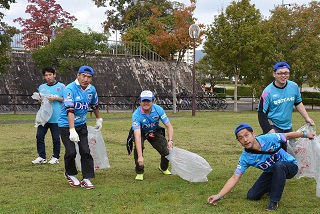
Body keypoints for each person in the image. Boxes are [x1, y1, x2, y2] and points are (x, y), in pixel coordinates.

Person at [207, 123, 315, 211]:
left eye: (246, 135)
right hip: (271, 172)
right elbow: (235, 177)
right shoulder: (245, 158)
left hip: (289, 166)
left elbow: (287, 135)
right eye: (240, 138)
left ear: (253, 134)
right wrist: (218, 195)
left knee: (279, 165)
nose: (245, 139)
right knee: (252, 196)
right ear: (239, 141)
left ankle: (274, 201)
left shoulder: (268, 138)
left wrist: (305, 134)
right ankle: (273, 184)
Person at [58, 65, 103, 189]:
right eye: (84, 76)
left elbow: (94, 105)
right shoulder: (69, 89)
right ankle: (70, 173)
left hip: (82, 125)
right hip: (66, 125)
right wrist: (72, 130)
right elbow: (70, 110)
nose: (86, 79)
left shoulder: (92, 90)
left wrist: (98, 119)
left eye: (89, 77)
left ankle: (86, 178)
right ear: (78, 75)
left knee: (85, 151)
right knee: (71, 151)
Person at [257, 61, 314, 151]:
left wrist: (307, 117)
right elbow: (261, 113)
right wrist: (268, 130)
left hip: (287, 126)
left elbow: (298, 102)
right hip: (273, 125)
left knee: (293, 150)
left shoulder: (293, 86)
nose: (283, 76)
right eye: (280, 73)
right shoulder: (267, 92)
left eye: (286, 73)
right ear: (274, 74)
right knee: (280, 150)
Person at [131, 90, 174, 181]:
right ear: (140, 102)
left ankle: (163, 168)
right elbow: (137, 136)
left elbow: (169, 126)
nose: (146, 103)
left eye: (148, 101)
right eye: (143, 101)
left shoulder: (158, 110)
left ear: (153, 101)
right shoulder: (136, 114)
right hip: (140, 132)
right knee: (139, 148)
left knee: (166, 151)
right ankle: (139, 171)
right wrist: (140, 156)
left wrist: (170, 140)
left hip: (154, 131)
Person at [32, 67, 65, 164]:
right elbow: (40, 102)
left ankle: (55, 157)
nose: (48, 77)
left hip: (56, 117)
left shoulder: (62, 86)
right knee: (39, 136)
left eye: (50, 74)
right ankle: (42, 157)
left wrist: (56, 98)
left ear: (54, 75)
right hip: (44, 118)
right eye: (46, 75)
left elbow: (66, 99)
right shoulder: (41, 87)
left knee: (55, 138)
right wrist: (39, 100)